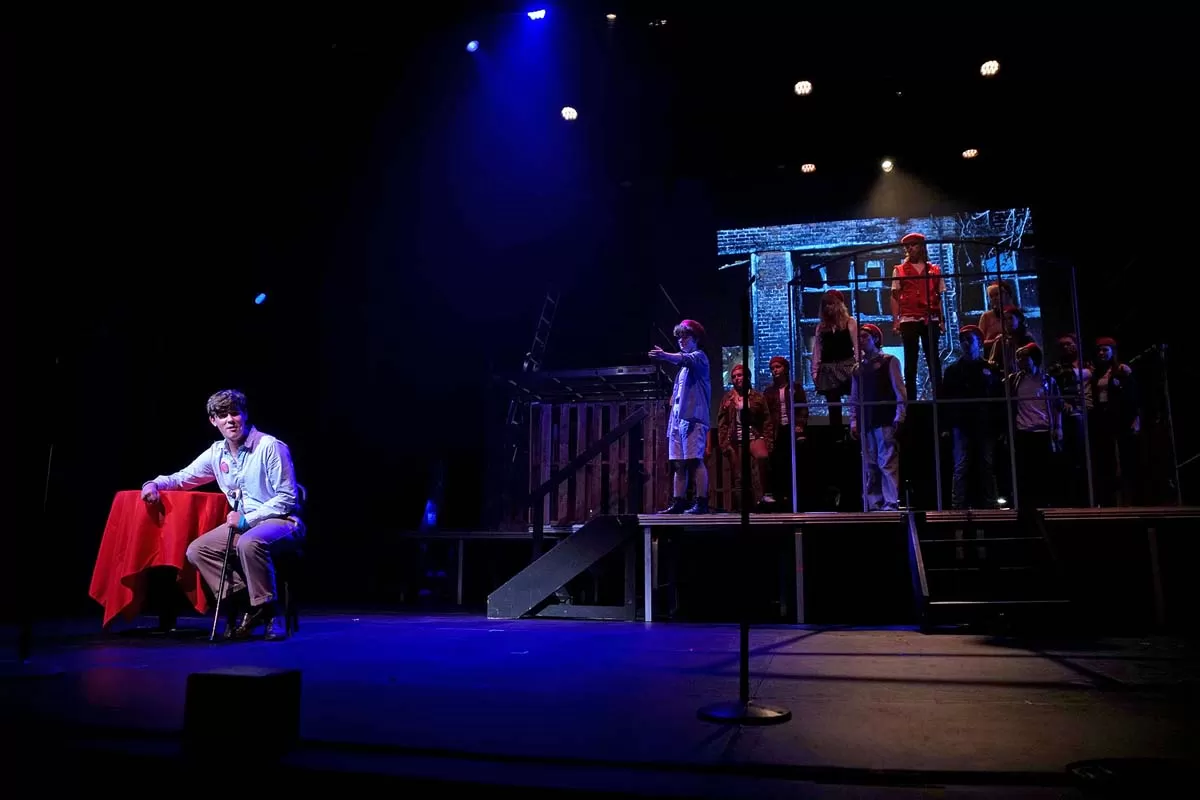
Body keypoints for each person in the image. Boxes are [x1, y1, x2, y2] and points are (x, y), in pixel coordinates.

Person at [141, 389, 303, 640]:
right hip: (246, 525)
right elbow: (184, 477)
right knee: (198, 550)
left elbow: (288, 497)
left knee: (249, 542)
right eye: (223, 415)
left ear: (245, 415)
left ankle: (270, 613)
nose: (230, 420)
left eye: (235, 413)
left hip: (283, 520)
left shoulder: (270, 446)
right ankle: (248, 603)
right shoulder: (217, 452)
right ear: (213, 421)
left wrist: (248, 519)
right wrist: (154, 483)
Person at [650, 319, 711, 514]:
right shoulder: (682, 372)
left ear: (696, 339)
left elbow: (685, 359)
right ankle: (679, 501)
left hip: (693, 419)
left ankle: (701, 501)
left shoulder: (699, 357)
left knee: (695, 461)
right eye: (679, 338)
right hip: (678, 420)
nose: (681, 341)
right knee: (678, 463)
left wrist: (664, 355)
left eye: (686, 337)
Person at [940, 325, 1002, 509]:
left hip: (984, 424)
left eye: (969, 340)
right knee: (961, 465)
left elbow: (997, 398)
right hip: (961, 424)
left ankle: (991, 504)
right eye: (962, 340)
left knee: (987, 464)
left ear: (978, 342)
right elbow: (946, 400)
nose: (965, 344)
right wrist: (947, 425)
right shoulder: (953, 371)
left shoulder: (990, 369)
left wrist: (998, 425)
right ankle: (957, 505)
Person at [848, 323, 907, 510]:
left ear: (875, 338)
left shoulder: (889, 361)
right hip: (867, 421)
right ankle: (874, 503)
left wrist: (900, 416)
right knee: (870, 464)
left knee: (887, 461)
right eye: (859, 338)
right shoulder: (858, 368)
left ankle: (890, 503)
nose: (861, 341)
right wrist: (854, 420)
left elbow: (900, 390)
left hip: (884, 419)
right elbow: (854, 397)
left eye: (865, 337)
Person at [890, 232, 945, 400]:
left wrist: (941, 320)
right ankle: (912, 402)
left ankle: (939, 400)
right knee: (910, 362)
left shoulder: (934, 270)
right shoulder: (899, 270)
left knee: (933, 360)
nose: (909, 248)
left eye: (913, 245)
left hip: (930, 318)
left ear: (921, 246)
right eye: (907, 246)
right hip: (909, 319)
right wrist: (896, 320)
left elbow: (939, 296)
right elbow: (894, 296)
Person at [717, 363, 774, 511]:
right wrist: (724, 444)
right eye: (734, 376)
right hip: (735, 440)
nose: (737, 378)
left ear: (747, 376)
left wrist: (768, 441)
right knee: (739, 476)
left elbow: (767, 420)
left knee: (759, 469)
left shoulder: (757, 397)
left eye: (740, 375)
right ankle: (742, 508)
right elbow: (722, 423)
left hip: (754, 437)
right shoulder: (727, 398)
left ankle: (760, 503)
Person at [763, 356, 809, 508]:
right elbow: (766, 413)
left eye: (778, 367)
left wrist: (800, 425)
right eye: (772, 368)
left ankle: (796, 498)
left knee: (794, 464)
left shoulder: (795, 388)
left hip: (792, 429)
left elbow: (803, 408)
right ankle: (780, 498)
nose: (775, 370)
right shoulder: (769, 391)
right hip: (777, 430)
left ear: (785, 369)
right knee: (778, 464)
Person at [811, 289, 858, 431]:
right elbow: (817, 351)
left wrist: (859, 366)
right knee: (833, 404)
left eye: (831, 304)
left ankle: (856, 428)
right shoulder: (821, 327)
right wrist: (815, 371)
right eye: (825, 304)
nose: (828, 307)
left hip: (847, 366)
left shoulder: (850, 323)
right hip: (828, 369)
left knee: (855, 398)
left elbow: (857, 345)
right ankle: (837, 434)